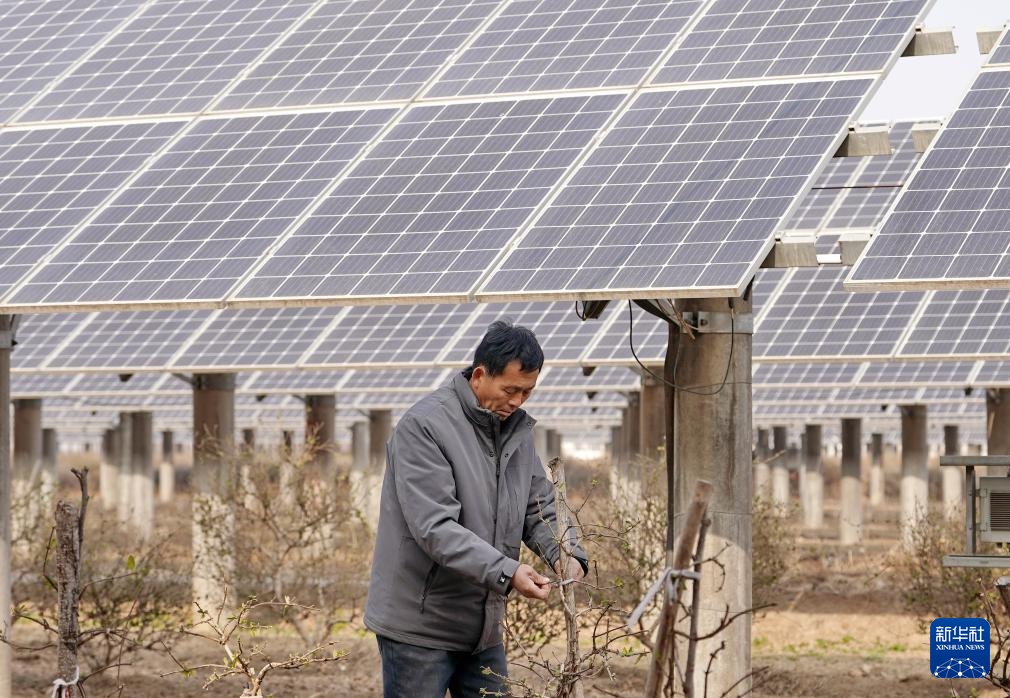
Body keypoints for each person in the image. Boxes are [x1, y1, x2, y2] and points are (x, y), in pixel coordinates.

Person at [365, 320, 588, 698]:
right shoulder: (424, 427)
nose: (517, 401)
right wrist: (509, 572)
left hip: (483, 630)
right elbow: (436, 528)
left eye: (527, 392)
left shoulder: (514, 432)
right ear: (480, 375)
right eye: (510, 390)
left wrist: (566, 553)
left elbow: (539, 506)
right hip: (419, 629)